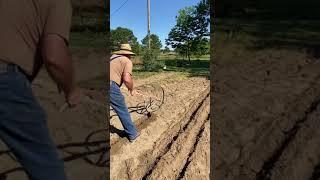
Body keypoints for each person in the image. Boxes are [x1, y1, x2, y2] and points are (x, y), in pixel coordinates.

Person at [0, 0, 82, 179]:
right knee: (46, 165)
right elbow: (54, 56)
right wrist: (71, 89)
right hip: (5, 81)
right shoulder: (58, 3)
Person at [110, 44, 140, 142]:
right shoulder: (127, 61)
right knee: (122, 110)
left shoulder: (112, 58)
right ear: (129, 54)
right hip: (110, 87)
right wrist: (131, 89)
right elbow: (127, 79)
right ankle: (132, 134)